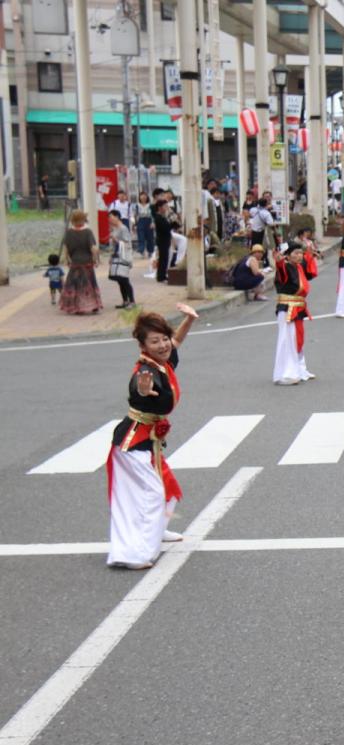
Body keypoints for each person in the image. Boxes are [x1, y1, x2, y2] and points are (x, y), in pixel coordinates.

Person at [107, 304, 198, 569]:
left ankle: (157, 529)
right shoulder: (145, 371)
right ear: (143, 345)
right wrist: (144, 390)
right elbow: (140, 388)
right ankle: (133, 553)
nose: (163, 345)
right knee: (152, 493)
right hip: (133, 443)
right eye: (154, 341)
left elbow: (176, 342)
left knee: (168, 489)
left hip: (150, 441)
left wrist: (189, 320)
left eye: (163, 339)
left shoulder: (162, 362)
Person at [273, 241, 316, 386]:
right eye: (295, 253)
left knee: (297, 339)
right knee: (287, 340)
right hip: (287, 308)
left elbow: (310, 273)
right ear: (287, 256)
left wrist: (309, 253)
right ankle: (285, 373)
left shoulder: (298, 267)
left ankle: (299, 369)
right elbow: (281, 272)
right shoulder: (284, 267)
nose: (299, 256)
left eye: (300, 253)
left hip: (298, 307)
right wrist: (279, 262)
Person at [59, 209, 103, 314]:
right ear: (83, 219)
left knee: (74, 285)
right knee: (89, 284)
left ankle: (75, 306)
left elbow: (65, 248)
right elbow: (93, 247)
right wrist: (96, 258)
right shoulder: (88, 232)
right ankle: (93, 305)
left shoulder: (69, 232)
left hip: (75, 262)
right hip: (87, 263)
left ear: (73, 220)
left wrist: (66, 259)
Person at [107, 210, 136, 309]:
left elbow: (127, 242)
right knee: (120, 280)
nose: (110, 219)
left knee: (124, 279)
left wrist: (116, 240)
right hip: (116, 256)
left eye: (111, 217)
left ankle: (132, 301)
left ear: (117, 217)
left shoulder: (123, 228)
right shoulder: (115, 229)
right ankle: (125, 300)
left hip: (123, 257)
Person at [153, 199, 174, 282]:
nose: (166, 208)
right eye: (165, 206)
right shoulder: (158, 217)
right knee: (163, 258)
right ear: (160, 207)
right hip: (162, 240)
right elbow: (165, 228)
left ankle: (163, 275)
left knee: (164, 258)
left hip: (165, 239)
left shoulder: (163, 216)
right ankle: (161, 276)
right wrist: (172, 224)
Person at [134, 192, 155, 257]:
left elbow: (153, 215)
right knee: (141, 236)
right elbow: (135, 215)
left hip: (148, 220)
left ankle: (150, 251)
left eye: (144, 196)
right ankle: (141, 250)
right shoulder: (137, 205)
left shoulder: (151, 205)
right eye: (142, 196)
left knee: (150, 237)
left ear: (147, 197)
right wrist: (135, 224)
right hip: (140, 221)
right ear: (139, 197)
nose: (143, 197)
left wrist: (153, 222)